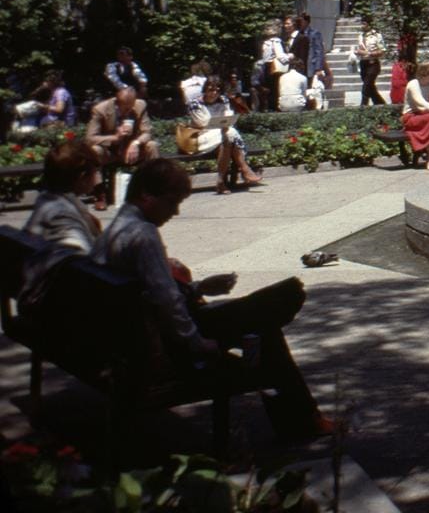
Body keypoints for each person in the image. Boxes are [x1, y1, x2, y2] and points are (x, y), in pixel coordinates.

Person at [93, 160, 332, 440]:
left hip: (135, 334)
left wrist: (198, 288)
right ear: (146, 195)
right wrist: (197, 343)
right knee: (276, 306)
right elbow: (167, 302)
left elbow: (155, 292)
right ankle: (303, 422)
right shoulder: (143, 235)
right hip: (164, 343)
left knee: (264, 320)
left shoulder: (118, 227)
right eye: (172, 203)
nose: (176, 212)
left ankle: (303, 421)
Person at [18, 140, 105, 322]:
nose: (97, 177)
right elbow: (90, 265)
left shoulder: (47, 201)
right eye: (95, 172)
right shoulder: (62, 215)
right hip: (59, 313)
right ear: (82, 177)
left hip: (51, 301)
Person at [191, 78, 266, 193]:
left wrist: (224, 124)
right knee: (230, 133)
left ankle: (220, 181)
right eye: (211, 90)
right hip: (202, 137)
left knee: (227, 140)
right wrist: (223, 125)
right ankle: (245, 169)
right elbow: (203, 123)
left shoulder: (224, 100)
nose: (214, 93)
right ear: (205, 89)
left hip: (222, 136)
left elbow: (228, 116)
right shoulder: (195, 103)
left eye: (217, 90)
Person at [86, 87, 158, 191]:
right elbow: (90, 138)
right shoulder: (100, 110)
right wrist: (115, 137)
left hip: (132, 151)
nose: (128, 111)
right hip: (110, 152)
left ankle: (154, 187)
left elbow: (147, 132)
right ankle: (99, 192)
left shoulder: (140, 105)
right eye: (125, 108)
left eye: (131, 107)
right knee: (95, 150)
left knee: (152, 145)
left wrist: (136, 143)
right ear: (117, 102)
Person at [353, 23, 386, 105]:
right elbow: (360, 49)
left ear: (369, 24)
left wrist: (367, 53)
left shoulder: (377, 35)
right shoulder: (361, 36)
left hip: (373, 64)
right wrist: (357, 52)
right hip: (363, 64)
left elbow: (382, 51)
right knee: (370, 87)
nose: (362, 26)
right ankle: (380, 104)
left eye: (364, 23)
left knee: (366, 86)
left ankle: (363, 106)